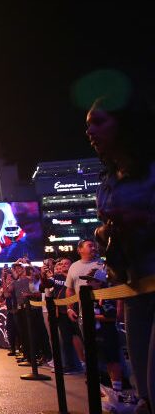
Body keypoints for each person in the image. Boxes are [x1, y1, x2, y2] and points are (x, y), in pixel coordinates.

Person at [87, 89, 155, 411]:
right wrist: (105, 232)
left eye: (99, 122)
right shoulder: (108, 181)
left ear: (124, 123)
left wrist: (142, 219)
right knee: (144, 388)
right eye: (88, 125)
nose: (90, 131)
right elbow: (106, 236)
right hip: (135, 288)